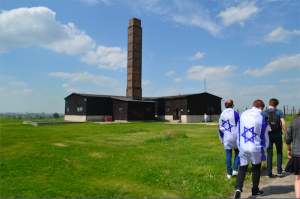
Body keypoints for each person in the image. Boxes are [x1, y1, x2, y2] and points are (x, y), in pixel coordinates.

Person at [234, 100, 270, 198]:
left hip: (243, 146)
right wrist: (265, 147)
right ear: (261, 108)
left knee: (242, 169)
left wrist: (239, 145)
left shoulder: (243, 114)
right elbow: (265, 136)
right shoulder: (261, 118)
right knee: (256, 169)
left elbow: (238, 131)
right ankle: (255, 191)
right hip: (255, 147)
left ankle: (238, 189)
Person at [261, 98, 287, 178]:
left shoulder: (264, 112)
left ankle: (269, 173)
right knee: (279, 152)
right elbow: (283, 123)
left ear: (269, 104)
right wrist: (286, 134)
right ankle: (279, 172)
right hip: (278, 135)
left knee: (269, 154)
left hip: (268, 136)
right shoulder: (279, 112)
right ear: (276, 105)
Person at [219, 100, 240, 179]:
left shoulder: (222, 114)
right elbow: (240, 126)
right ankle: (235, 169)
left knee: (228, 154)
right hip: (236, 136)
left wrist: (221, 139)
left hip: (227, 136)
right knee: (237, 152)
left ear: (225, 106)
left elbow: (220, 129)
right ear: (232, 106)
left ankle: (229, 174)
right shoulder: (236, 114)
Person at [285, 111, 300, 198]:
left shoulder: (294, 122)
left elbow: (288, 138)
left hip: (297, 154)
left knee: (298, 179)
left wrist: (288, 149)